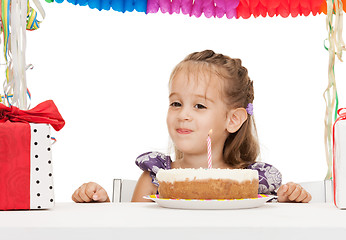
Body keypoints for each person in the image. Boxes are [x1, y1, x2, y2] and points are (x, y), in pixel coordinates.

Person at [72, 50, 312, 204]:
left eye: (199, 105)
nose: (183, 114)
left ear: (234, 119)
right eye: (176, 103)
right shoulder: (156, 178)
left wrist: (290, 201)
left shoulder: (253, 182)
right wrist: (99, 206)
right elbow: (133, 231)